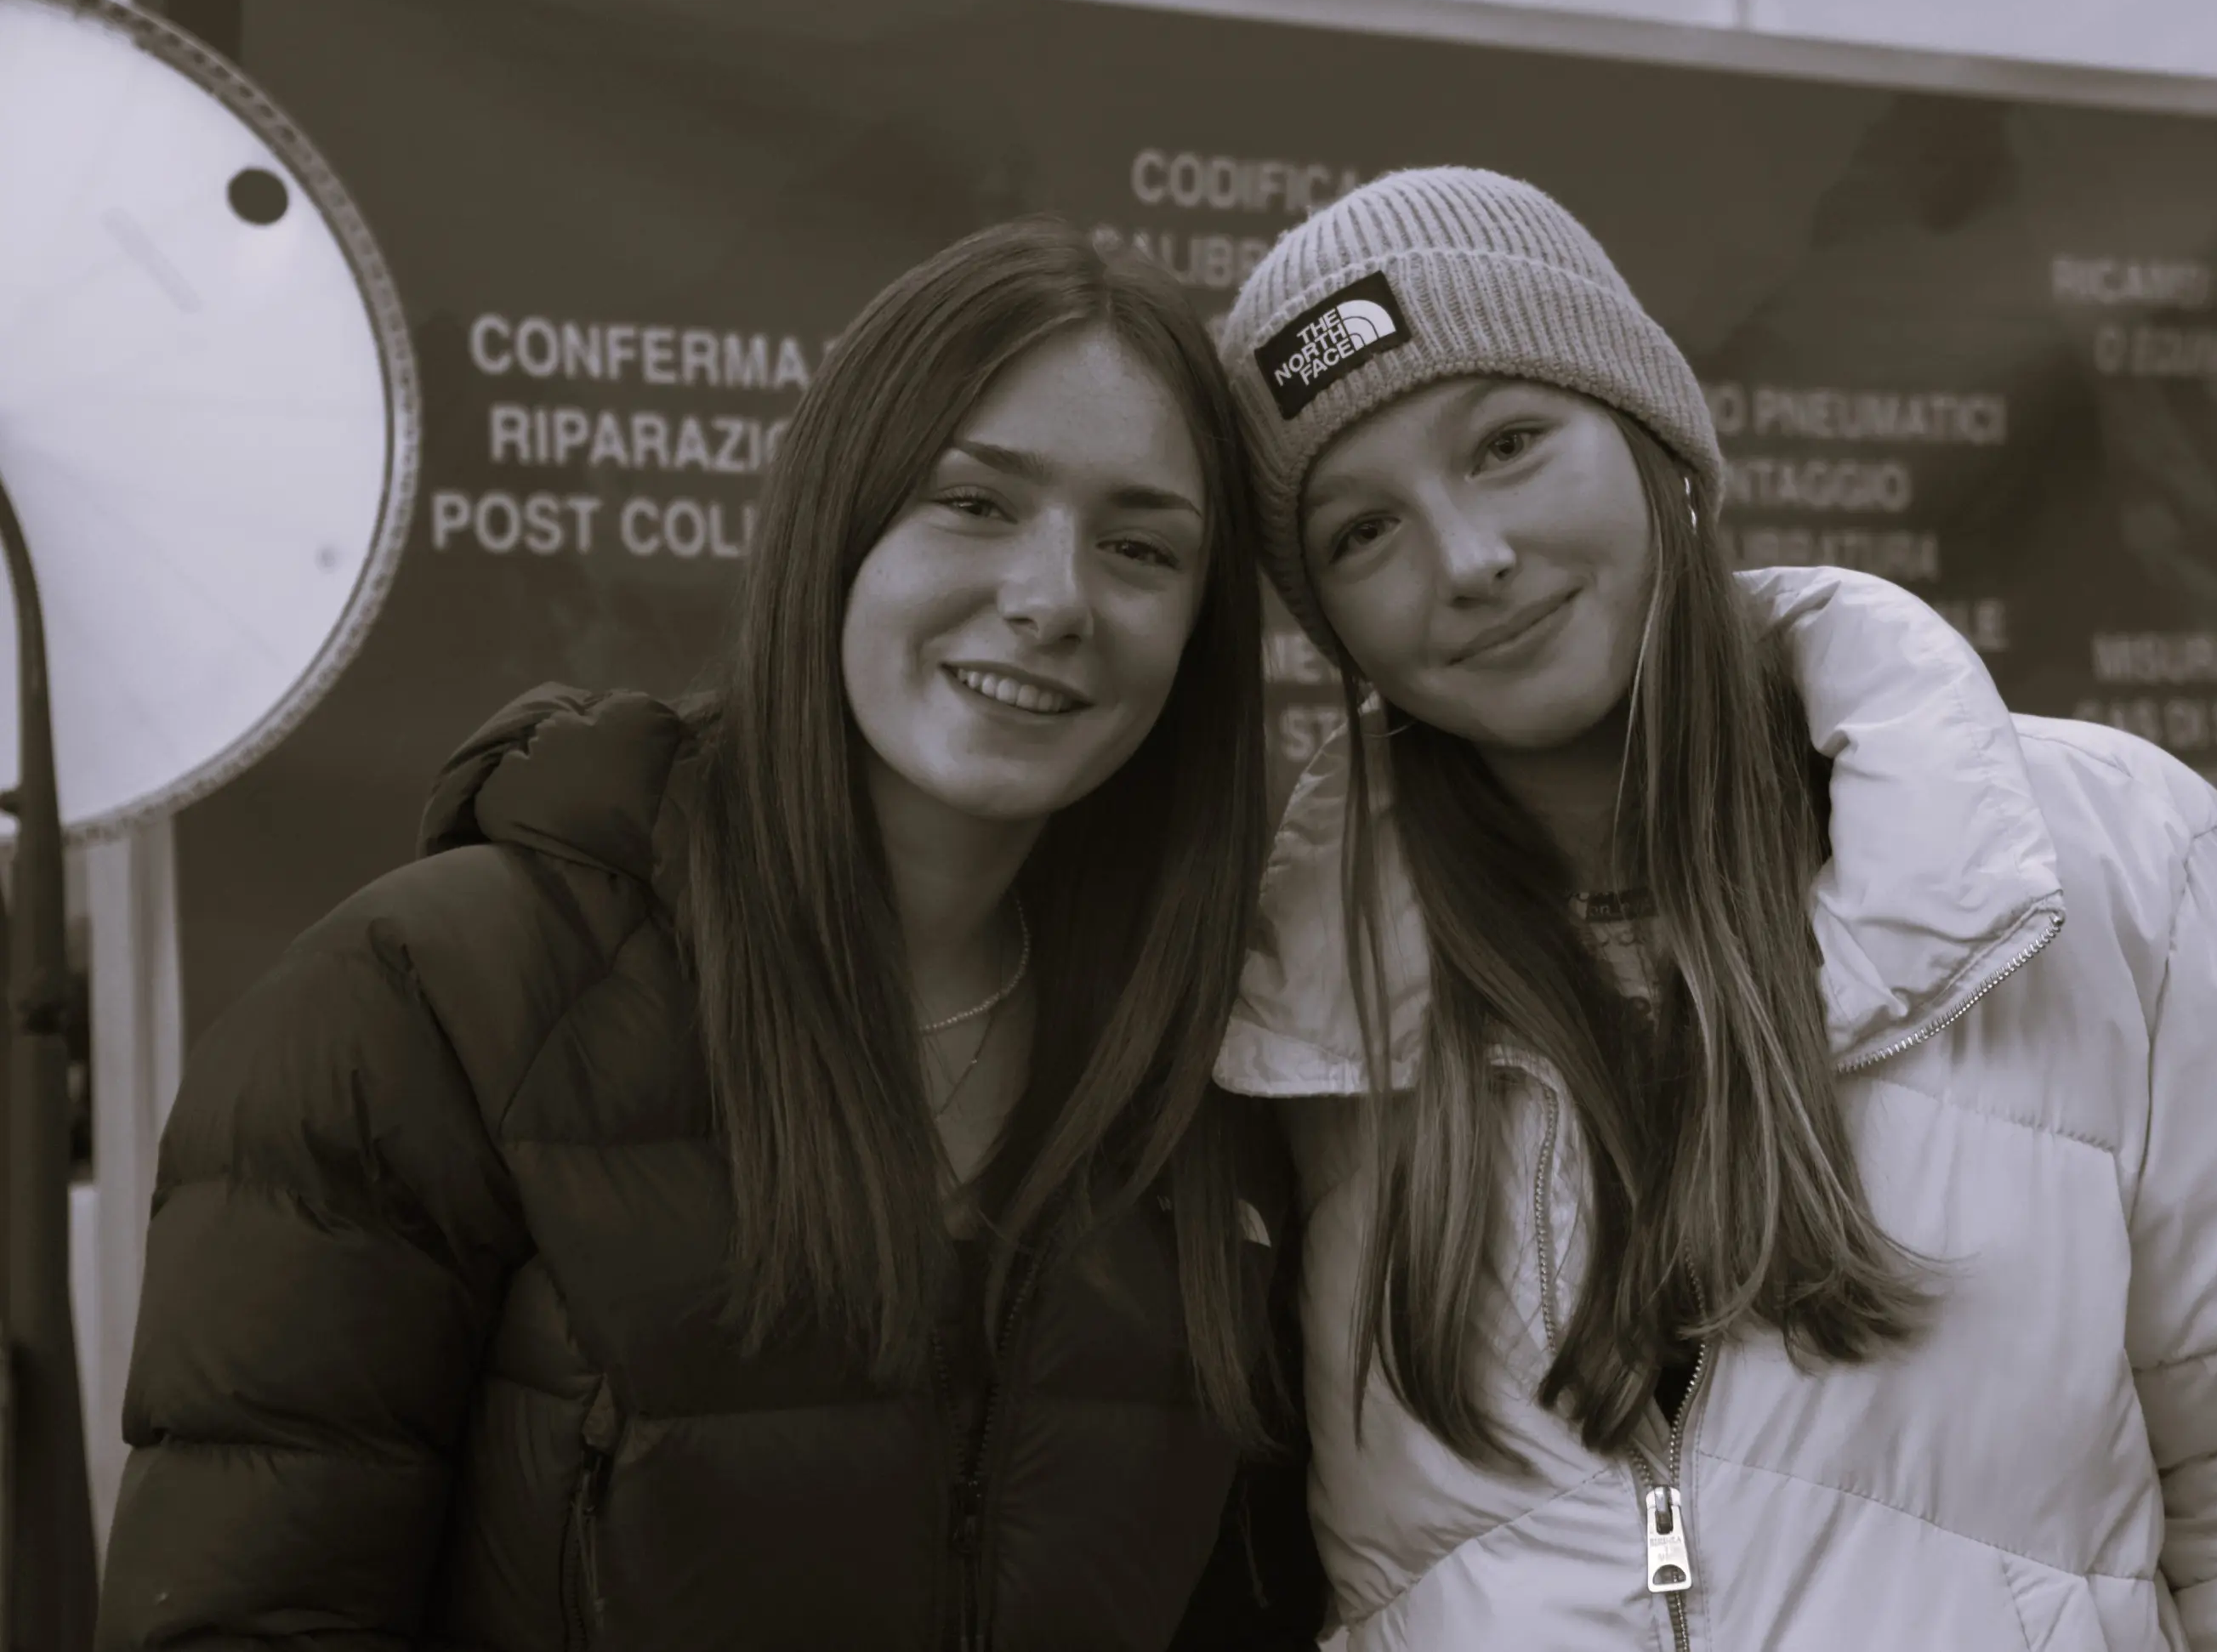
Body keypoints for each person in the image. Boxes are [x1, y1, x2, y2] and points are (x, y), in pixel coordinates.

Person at [1208, 167, 2217, 1650]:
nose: (1468, 558)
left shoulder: (2104, 860)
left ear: (1655, 439)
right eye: (1361, 531)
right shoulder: (1288, 1006)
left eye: (1509, 444)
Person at [97, 218, 1324, 1652]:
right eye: (975, 502)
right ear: (833, 521)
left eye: (1140, 547)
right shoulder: (429, 1001)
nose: (1055, 597)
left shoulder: (1207, 1077)